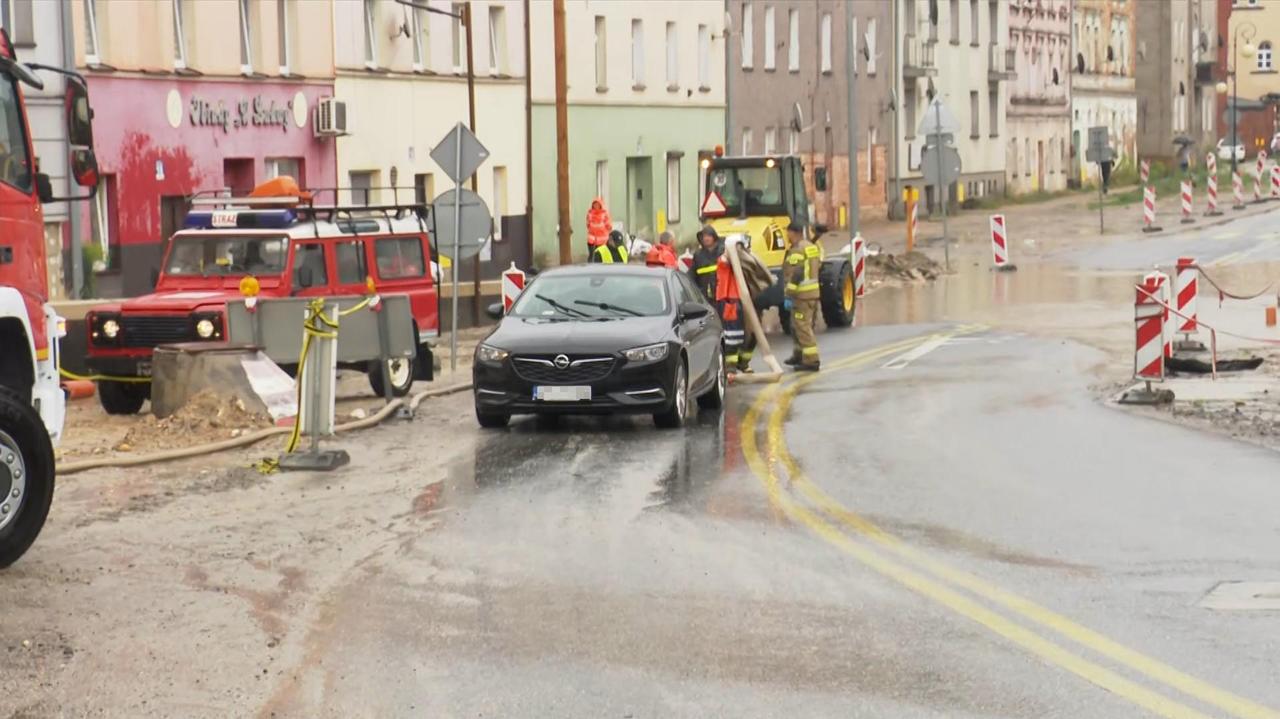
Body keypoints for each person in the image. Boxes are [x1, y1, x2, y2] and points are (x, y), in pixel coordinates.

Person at [782, 221, 821, 371]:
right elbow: (818, 266)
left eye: (788, 233)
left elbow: (796, 273)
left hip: (801, 295)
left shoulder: (798, 249)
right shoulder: (811, 247)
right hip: (812, 293)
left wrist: (789, 294)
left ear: (794, 232)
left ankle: (811, 360)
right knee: (796, 326)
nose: (787, 236)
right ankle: (799, 354)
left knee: (802, 327)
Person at [689, 225, 723, 299]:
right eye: (704, 236)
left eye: (708, 236)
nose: (706, 239)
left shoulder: (722, 252)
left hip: (720, 295)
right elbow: (692, 273)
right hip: (704, 296)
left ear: (714, 237)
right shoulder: (698, 255)